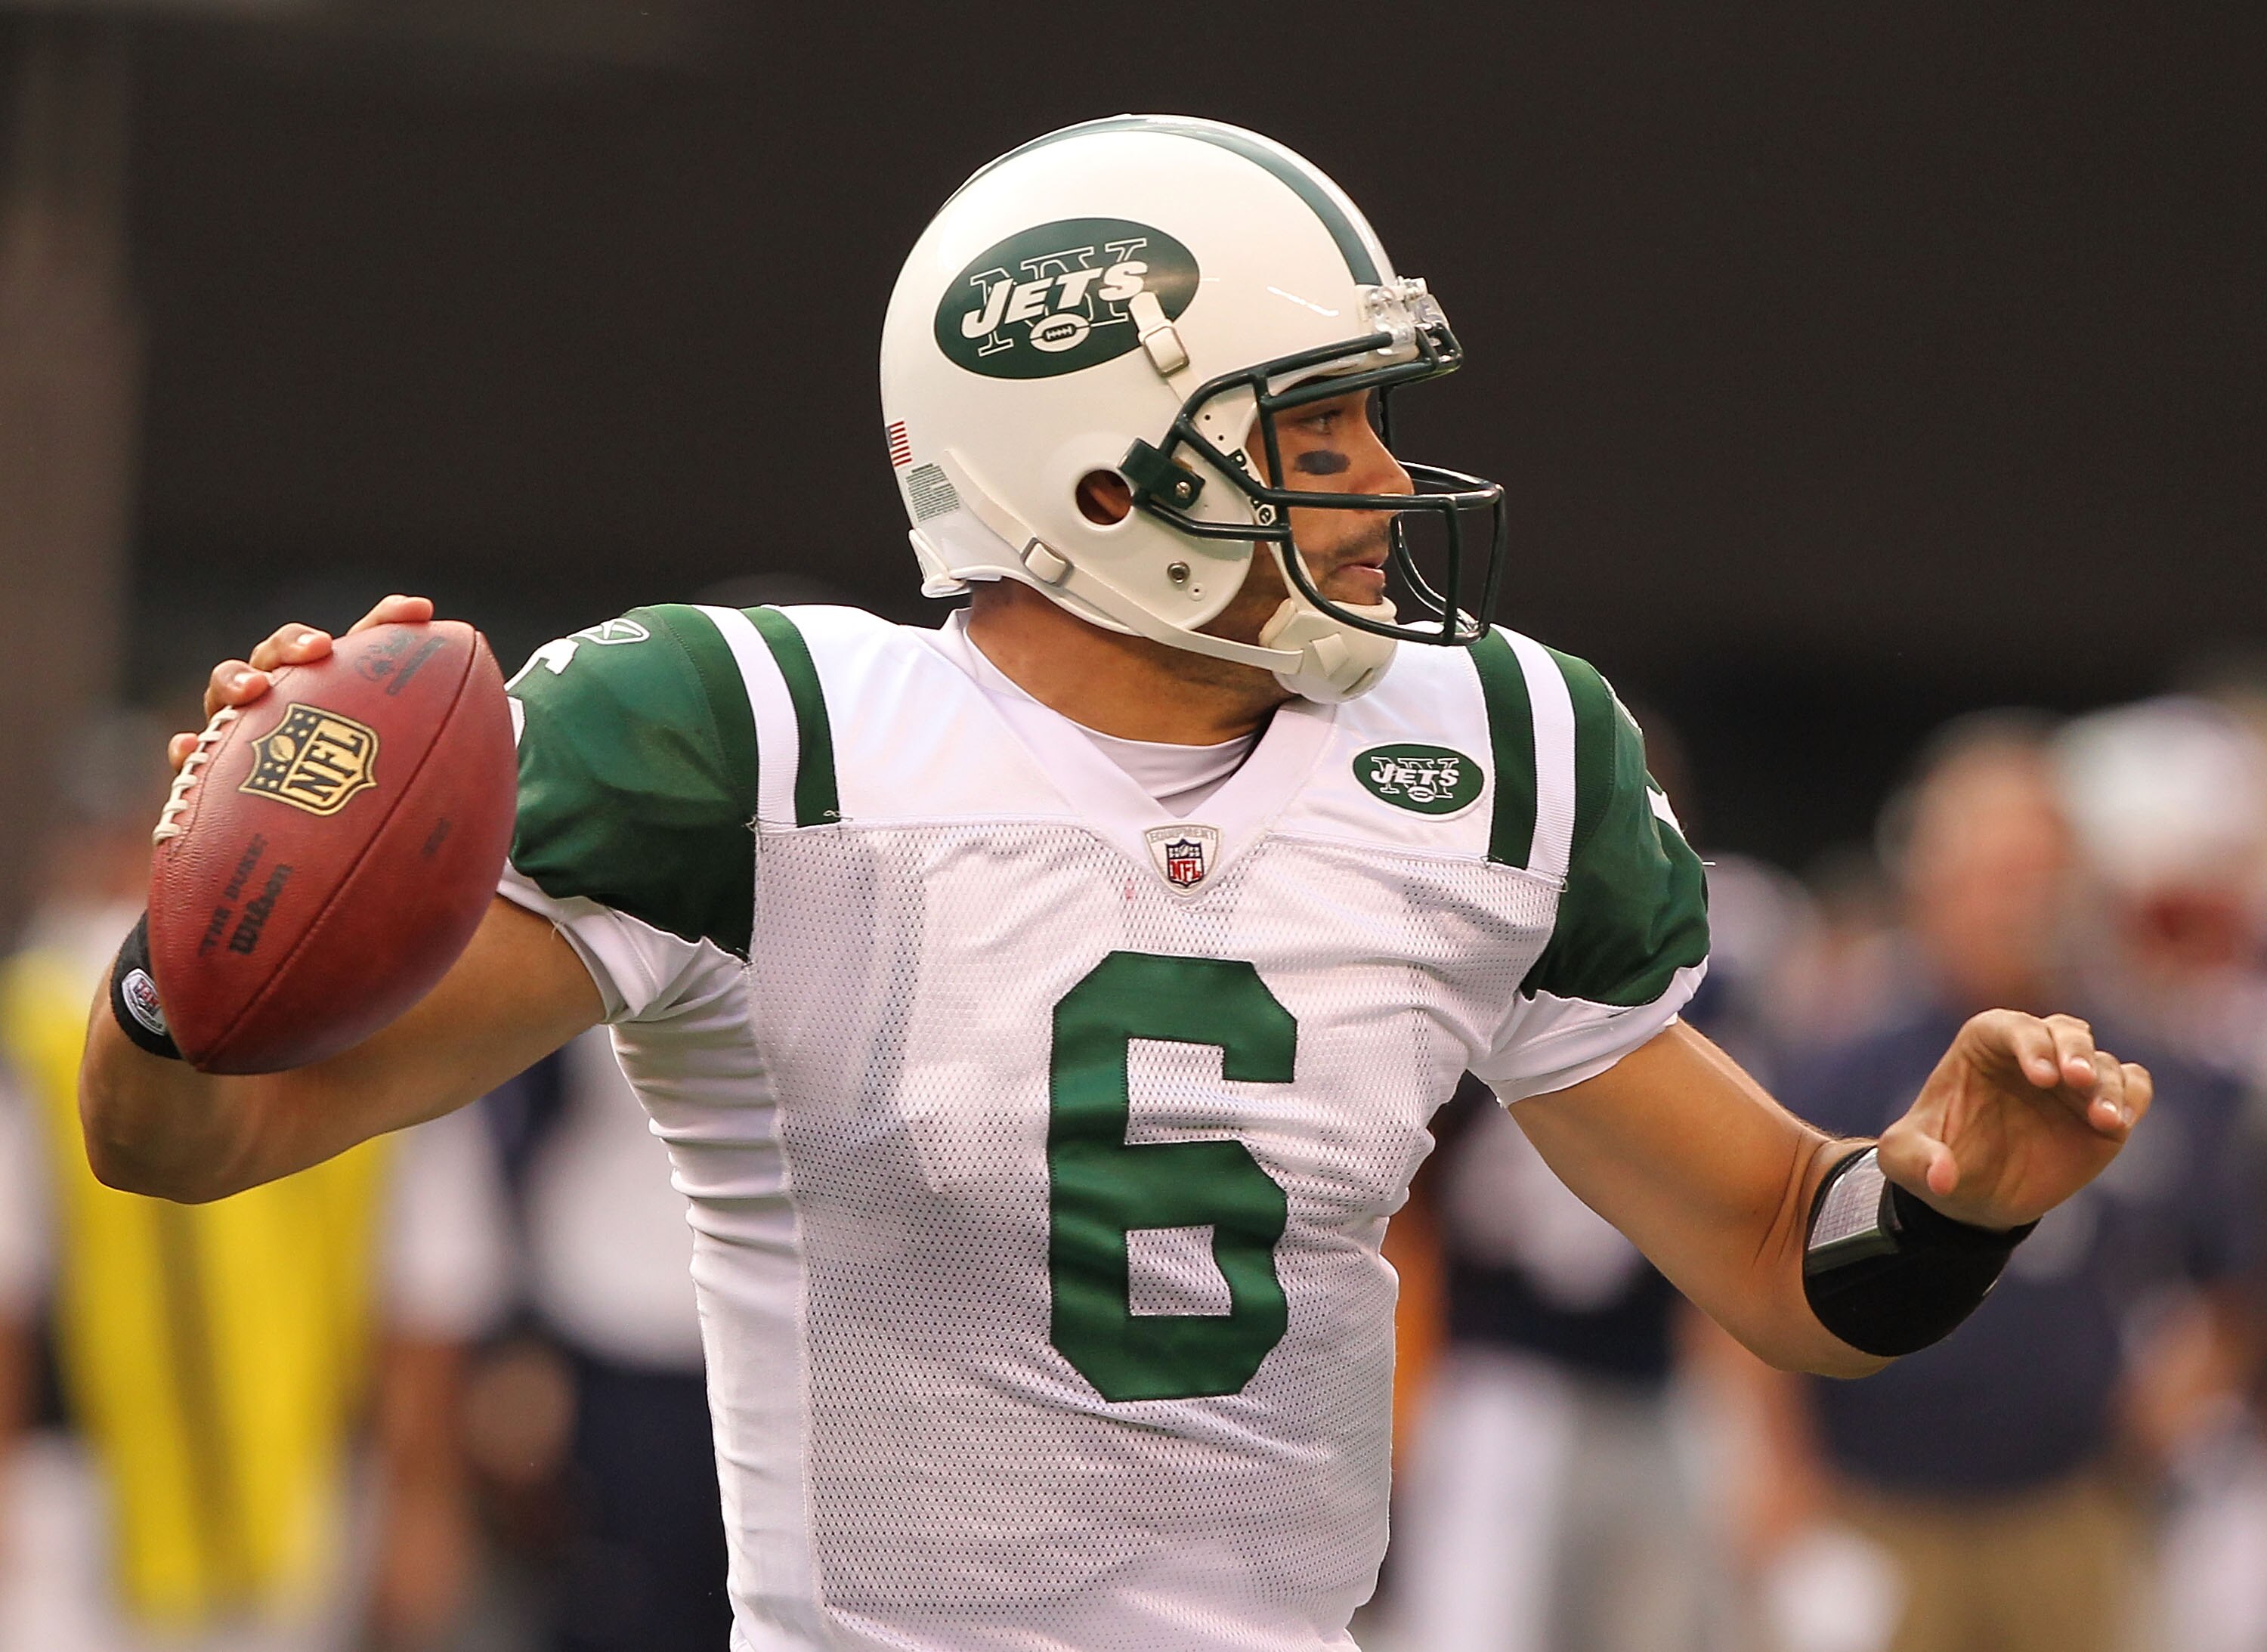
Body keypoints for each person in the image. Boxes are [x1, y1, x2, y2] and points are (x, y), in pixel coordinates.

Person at [82, 116, 2151, 1652]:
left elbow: (1789, 1254)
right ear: (1100, 473)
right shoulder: (757, 740)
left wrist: (1945, 1197)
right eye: (1313, 423)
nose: (1373, 477)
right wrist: (202, 950)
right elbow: (204, 1136)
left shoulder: (1494, 759)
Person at [1727, 719, 2256, 1652]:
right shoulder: (1845, 1065)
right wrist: (1778, 1471)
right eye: (1997, 872)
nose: (2024, 901)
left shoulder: (2127, 1059)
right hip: (1878, 1497)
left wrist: (2169, 1405)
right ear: (1928, 880)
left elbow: (2230, 1263)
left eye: (2042, 873)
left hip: (2069, 1499)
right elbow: (1745, 1258)